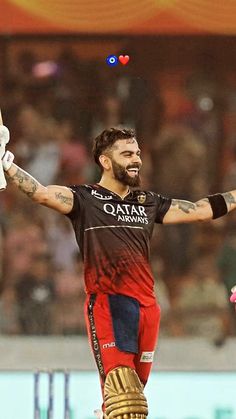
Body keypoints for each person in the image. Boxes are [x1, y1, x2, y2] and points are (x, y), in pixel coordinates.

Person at [1, 124, 236, 418]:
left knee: (130, 402)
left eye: (137, 153)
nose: (136, 159)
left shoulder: (147, 202)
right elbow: (42, 193)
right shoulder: (85, 198)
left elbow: (201, 209)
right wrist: (8, 166)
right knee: (127, 401)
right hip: (111, 304)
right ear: (105, 161)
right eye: (127, 154)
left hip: (148, 308)